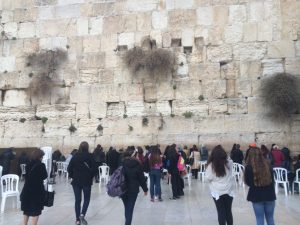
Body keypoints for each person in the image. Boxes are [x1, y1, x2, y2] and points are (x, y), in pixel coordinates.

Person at [244, 147, 276, 225]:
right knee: (270, 218)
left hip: (257, 196)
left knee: (259, 219)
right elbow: (272, 179)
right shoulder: (268, 164)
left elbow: (248, 183)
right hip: (269, 194)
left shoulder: (249, 167)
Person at [67, 142, 97, 225]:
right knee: (86, 199)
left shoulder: (75, 156)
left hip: (76, 181)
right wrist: (90, 176)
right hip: (86, 181)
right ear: (87, 147)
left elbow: (69, 168)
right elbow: (95, 169)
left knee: (77, 200)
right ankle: (82, 214)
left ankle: (77, 220)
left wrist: (73, 176)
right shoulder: (90, 156)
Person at [205, 145, 234, 225]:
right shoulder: (228, 163)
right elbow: (230, 166)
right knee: (228, 211)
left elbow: (208, 178)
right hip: (228, 191)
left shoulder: (211, 166)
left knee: (221, 212)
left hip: (217, 192)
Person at [20, 149, 48, 225]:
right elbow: (45, 176)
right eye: (42, 156)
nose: (42, 158)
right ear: (39, 157)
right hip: (37, 191)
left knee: (26, 210)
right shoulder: (41, 165)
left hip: (27, 190)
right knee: (36, 211)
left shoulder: (28, 164)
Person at [122, 148, 148, 225]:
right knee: (130, 208)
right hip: (133, 190)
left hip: (123, 189)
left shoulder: (122, 163)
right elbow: (141, 178)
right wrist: (145, 189)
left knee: (127, 207)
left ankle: (127, 222)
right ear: (134, 156)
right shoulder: (137, 164)